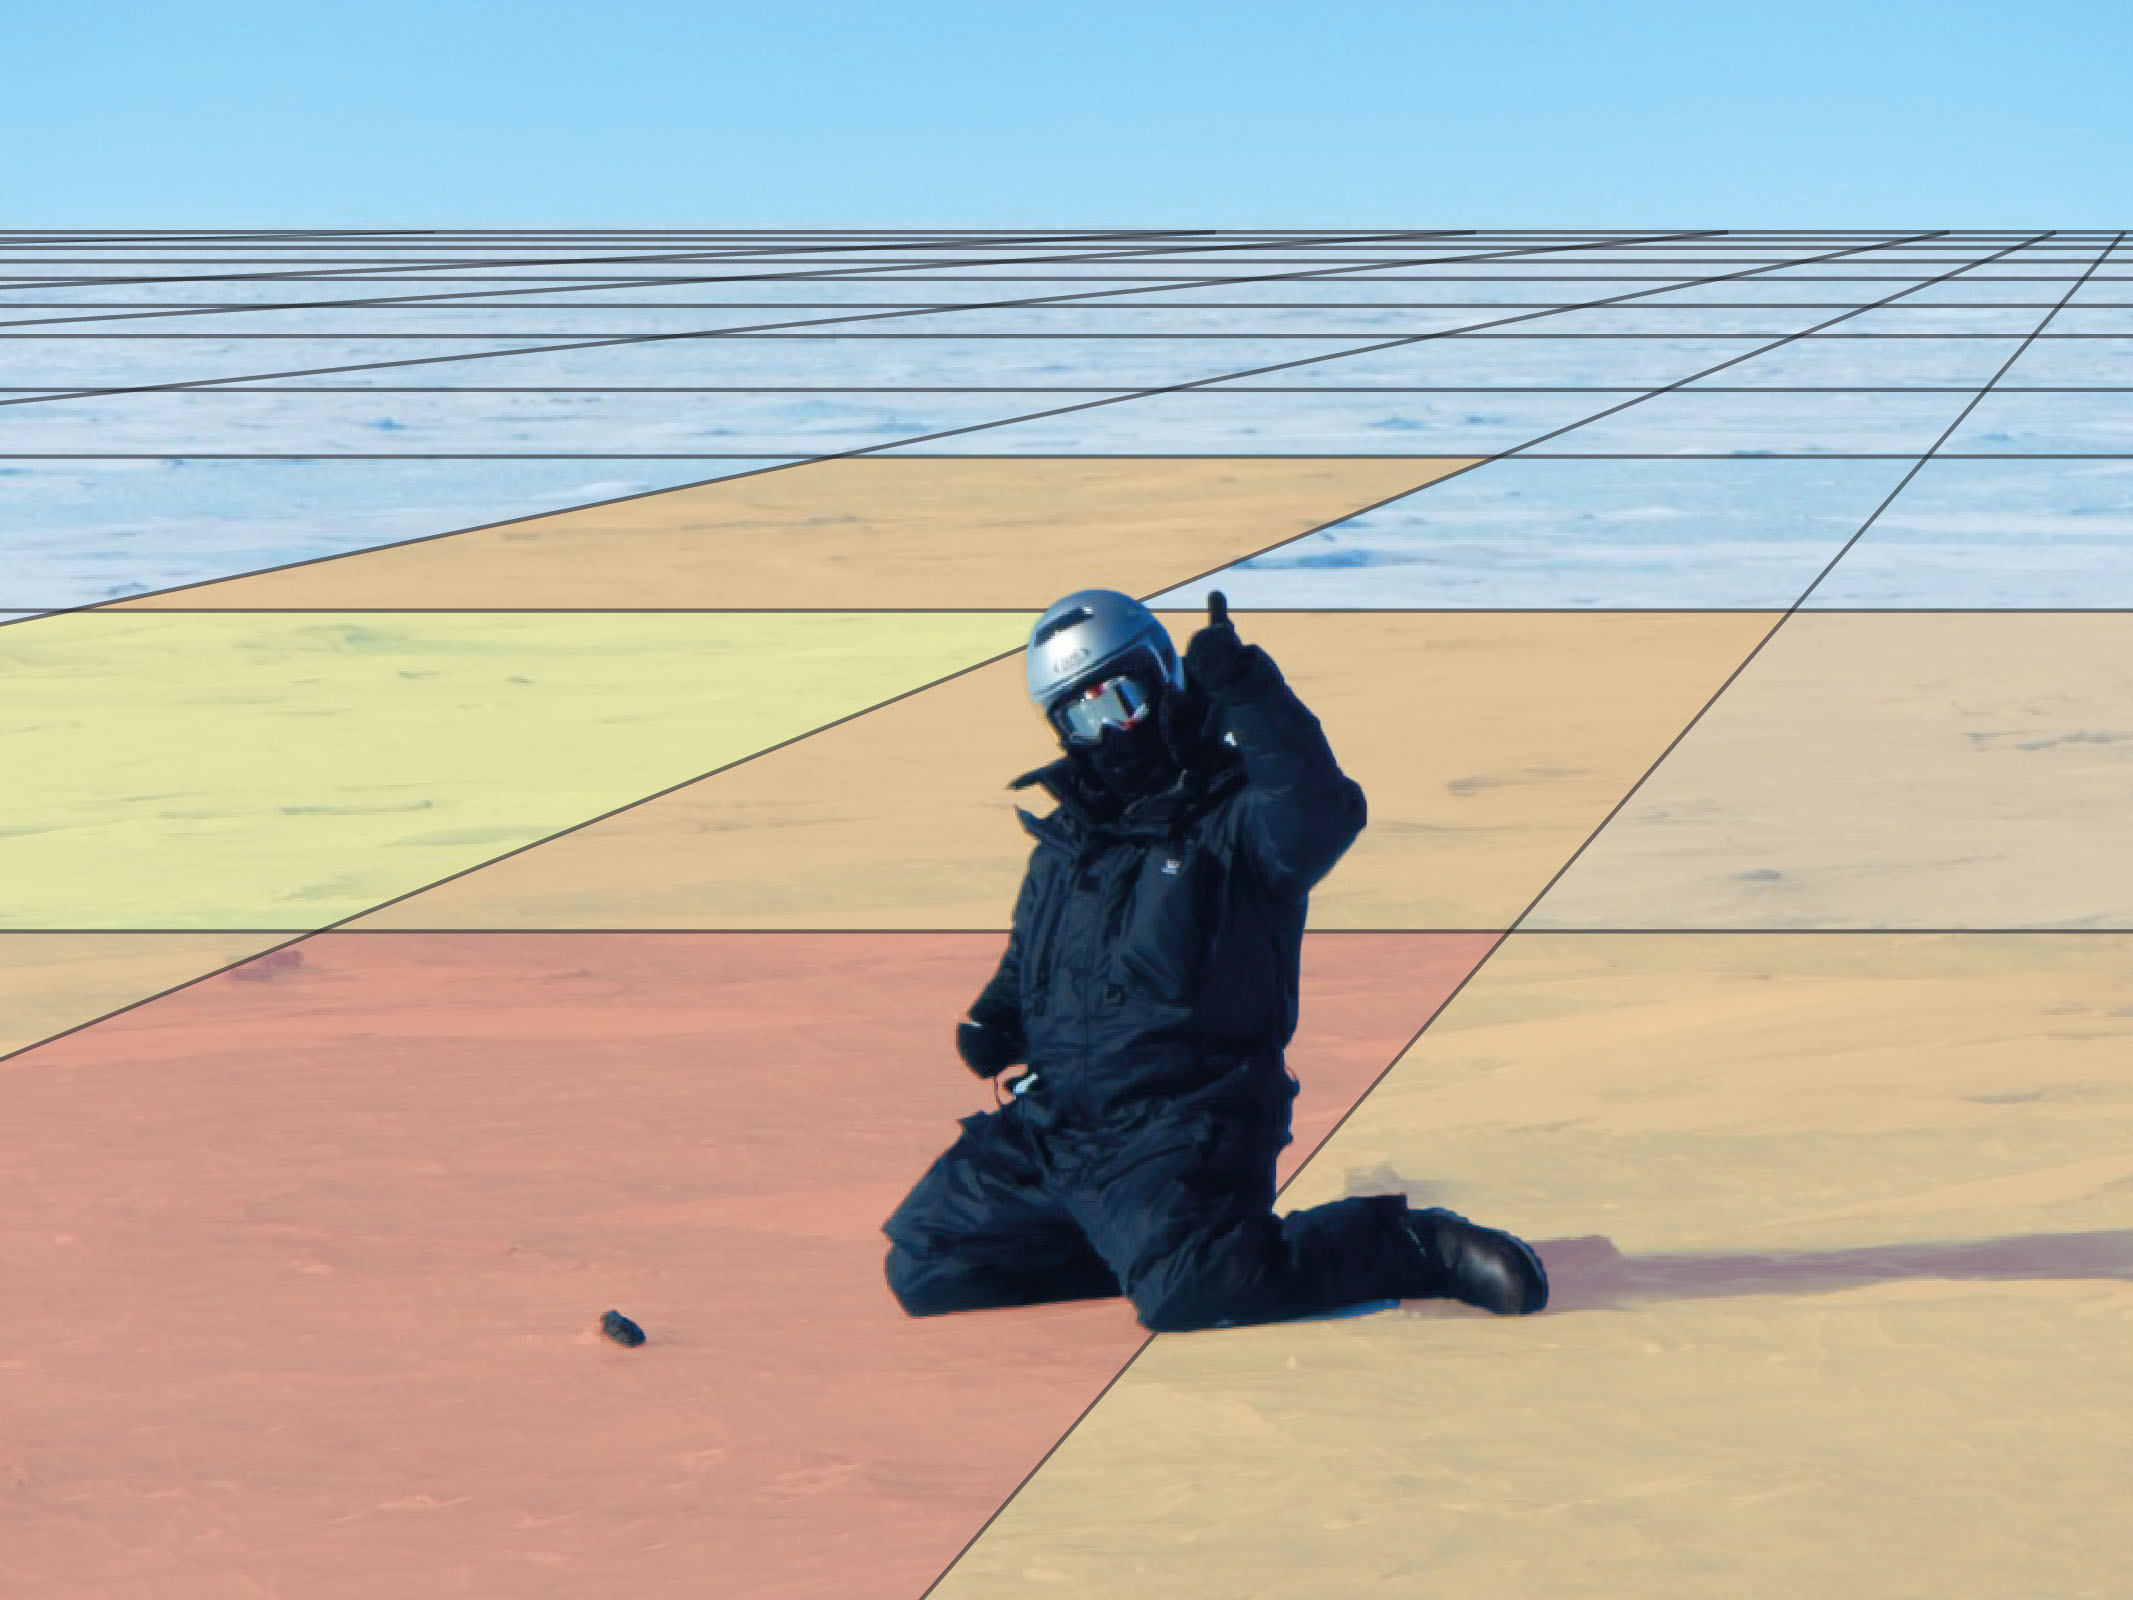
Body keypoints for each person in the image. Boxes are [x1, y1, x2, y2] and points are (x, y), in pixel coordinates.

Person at [881, 588, 1547, 1332]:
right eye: (1079, 715)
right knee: (928, 1263)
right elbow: (1036, 948)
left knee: (1194, 1291)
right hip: (1059, 1124)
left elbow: (1318, 811)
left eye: (1118, 698)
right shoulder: (1074, 838)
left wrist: (1248, 692)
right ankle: (1141, 1249)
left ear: (1162, 675)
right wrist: (997, 1015)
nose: (1105, 731)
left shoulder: (1236, 820)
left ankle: (1410, 1246)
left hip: (1180, 1122)